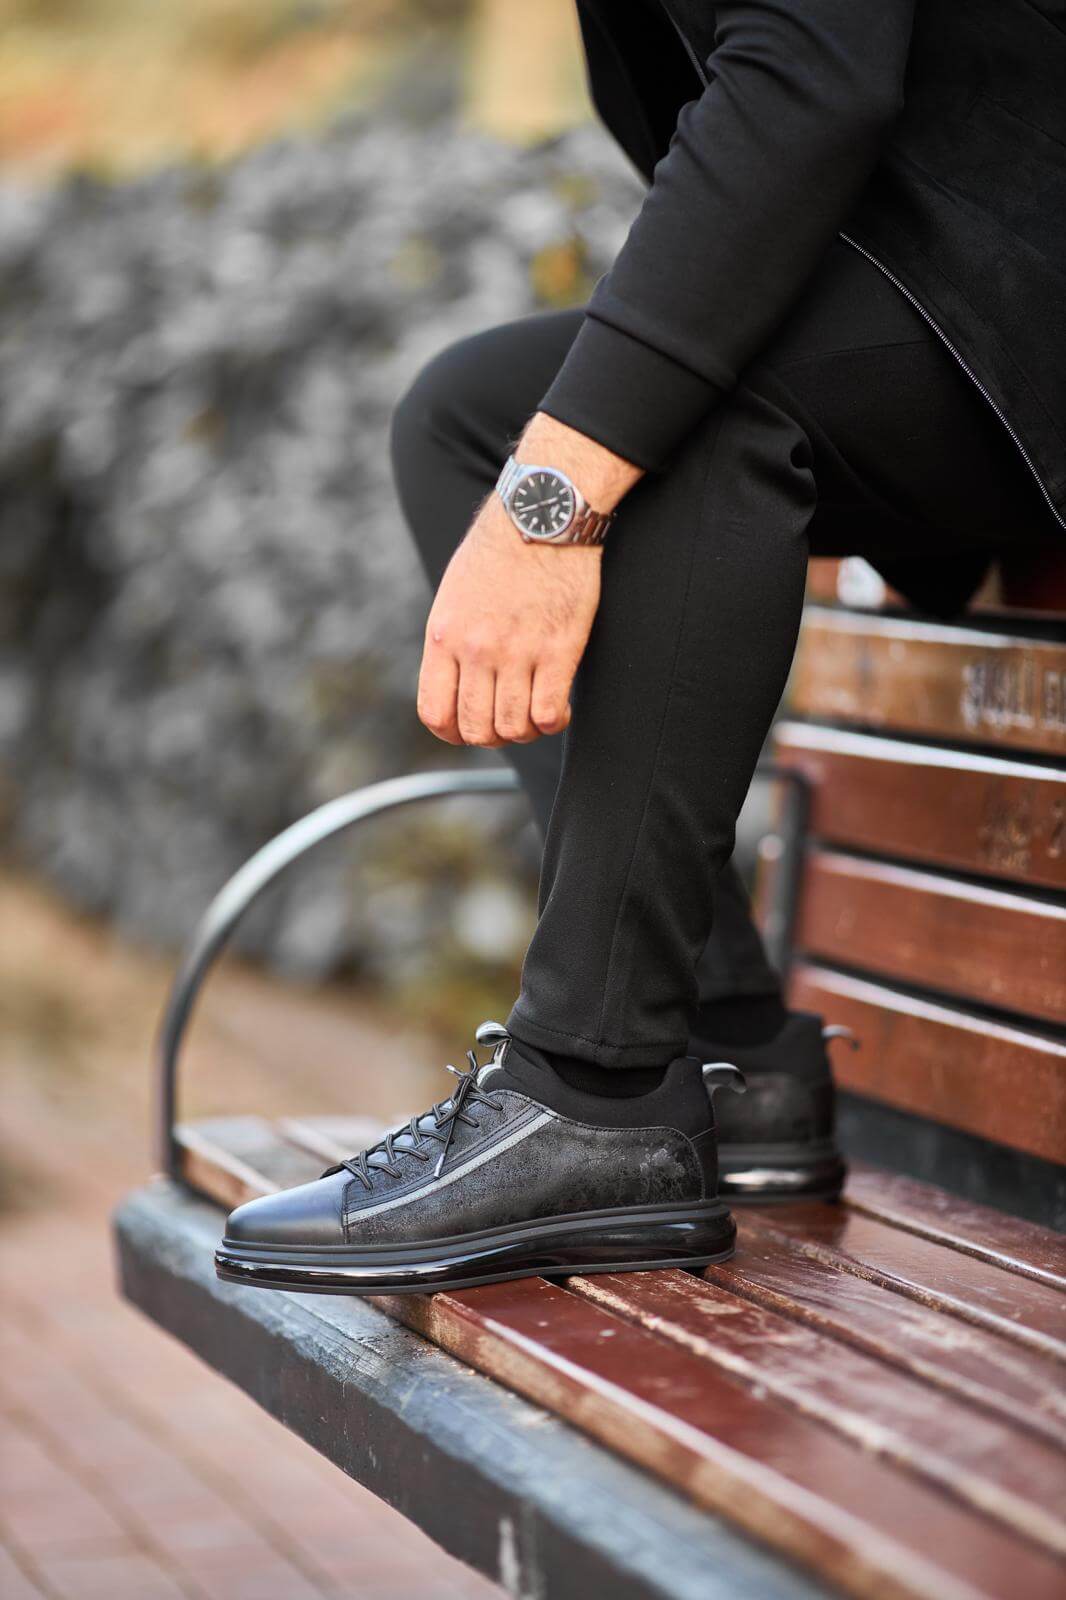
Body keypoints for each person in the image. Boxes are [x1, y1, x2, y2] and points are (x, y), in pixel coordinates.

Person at [214, 0, 1064, 1296]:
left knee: (669, 418)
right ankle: (732, 1050)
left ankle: (596, 1086)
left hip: (1017, 284)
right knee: (464, 417)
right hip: (964, 281)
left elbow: (805, 78)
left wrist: (548, 512)